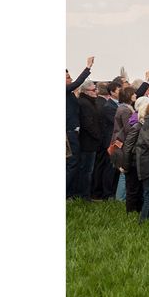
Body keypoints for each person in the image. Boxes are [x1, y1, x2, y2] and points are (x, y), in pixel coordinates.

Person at [66, 57, 94, 197]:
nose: (70, 80)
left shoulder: (69, 94)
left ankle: (71, 192)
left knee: (73, 163)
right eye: (67, 77)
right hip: (69, 132)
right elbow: (78, 82)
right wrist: (88, 67)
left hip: (73, 131)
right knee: (72, 163)